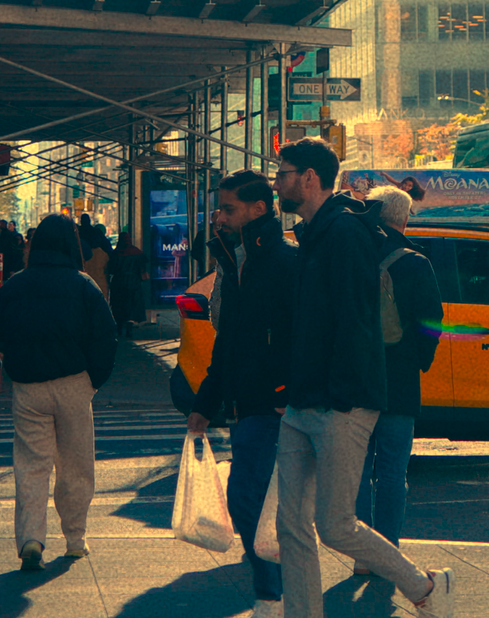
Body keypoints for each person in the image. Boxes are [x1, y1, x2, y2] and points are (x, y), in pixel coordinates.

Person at [272, 137, 454, 618]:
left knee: (334, 524)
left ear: (309, 177)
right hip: (304, 400)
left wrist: (341, 393)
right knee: (290, 524)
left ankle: (424, 586)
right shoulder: (312, 233)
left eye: (283, 173)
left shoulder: (344, 234)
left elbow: (355, 321)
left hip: (341, 400)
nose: (277, 183)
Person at [187, 170, 295, 618]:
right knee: (256, 503)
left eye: (228, 209)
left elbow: (299, 333)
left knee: (253, 499)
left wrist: (287, 390)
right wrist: (205, 405)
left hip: (271, 404)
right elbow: (228, 340)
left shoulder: (282, 262)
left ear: (258, 209)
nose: (219, 217)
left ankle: (273, 594)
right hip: (247, 401)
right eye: (219, 208)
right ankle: (276, 592)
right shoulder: (235, 264)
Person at [0, 214, 116, 572]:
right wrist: (94, 380)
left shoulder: (15, 285)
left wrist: (11, 366)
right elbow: (106, 336)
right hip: (75, 383)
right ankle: (75, 539)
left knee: (31, 465)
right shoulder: (83, 284)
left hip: (28, 386)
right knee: (76, 465)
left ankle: (31, 537)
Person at [355, 185, 442, 554]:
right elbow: (431, 322)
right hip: (400, 380)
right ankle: (386, 549)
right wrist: (419, 360)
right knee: (392, 471)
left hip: (355, 379)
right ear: (403, 218)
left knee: (356, 472)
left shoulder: (354, 256)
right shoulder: (414, 262)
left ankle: (359, 549)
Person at [110, 228, 149, 337]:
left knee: (119, 306)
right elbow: (143, 266)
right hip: (134, 283)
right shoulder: (137, 252)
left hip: (119, 283)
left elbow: (111, 269)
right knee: (132, 307)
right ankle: (129, 329)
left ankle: (119, 328)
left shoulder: (116, 253)